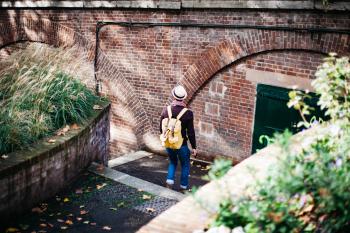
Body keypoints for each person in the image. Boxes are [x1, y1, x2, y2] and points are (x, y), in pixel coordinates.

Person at [160, 85, 197, 191]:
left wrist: (167, 137)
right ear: (183, 98)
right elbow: (190, 132)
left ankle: (169, 182)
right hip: (181, 144)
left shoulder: (166, 110)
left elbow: (161, 127)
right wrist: (194, 147)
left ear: (173, 96)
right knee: (185, 164)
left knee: (173, 161)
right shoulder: (188, 113)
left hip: (168, 142)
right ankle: (183, 187)